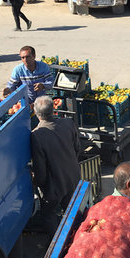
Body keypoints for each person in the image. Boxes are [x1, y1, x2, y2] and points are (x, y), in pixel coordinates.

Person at [31, 96, 81, 235]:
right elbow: (77, 148)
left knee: (48, 214)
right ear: (53, 109)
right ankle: (76, 238)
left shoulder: (37, 135)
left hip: (55, 185)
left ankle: (56, 245)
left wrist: (38, 183)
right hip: (73, 176)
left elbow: (40, 168)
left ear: (36, 113)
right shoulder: (68, 123)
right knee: (73, 211)